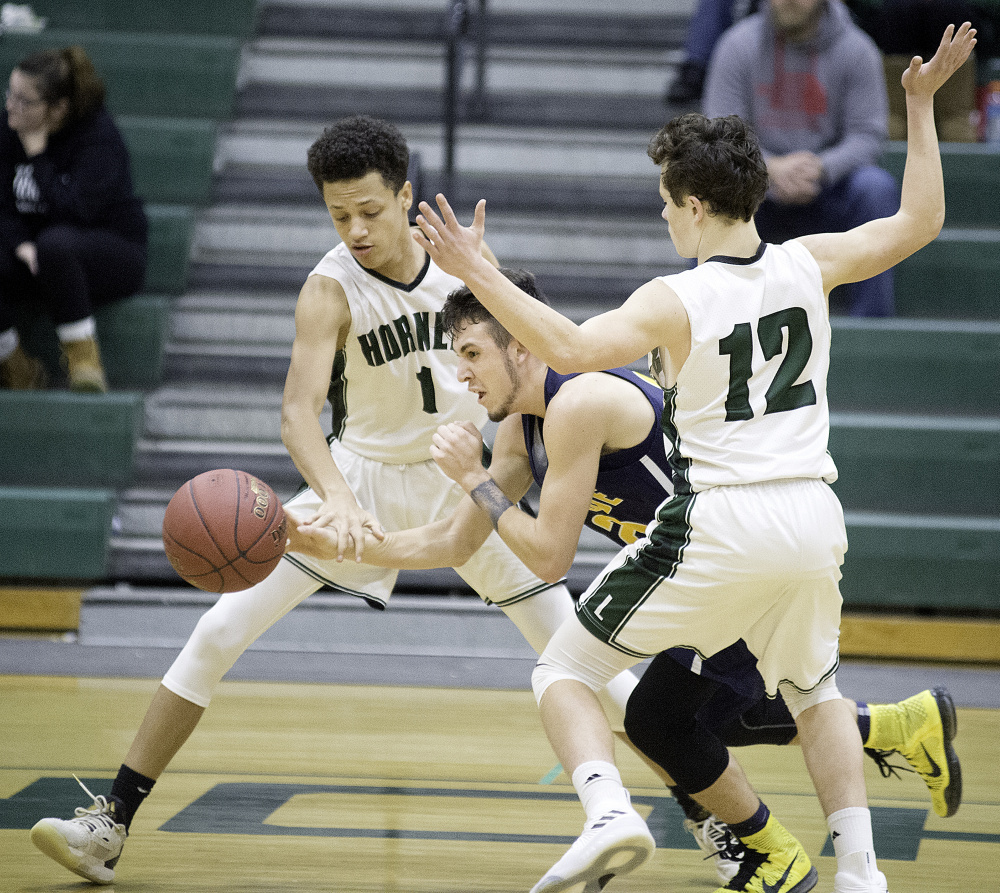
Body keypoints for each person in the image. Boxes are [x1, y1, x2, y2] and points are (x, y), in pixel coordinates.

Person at [407, 23, 975, 893]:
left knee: (564, 665)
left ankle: (607, 815)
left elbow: (562, 345)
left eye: (667, 202)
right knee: (814, 690)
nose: (663, 213)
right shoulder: (809, 262)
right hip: (816, 517)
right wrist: (921, 104)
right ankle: (860, 874)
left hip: (724, 517)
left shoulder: (675, 298)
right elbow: (924, 218)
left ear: (698, 207)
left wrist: (479, 272)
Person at [27, 115, 642, 885]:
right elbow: (297, 413)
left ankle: (718, 817)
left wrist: (497, 482)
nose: (354, 229)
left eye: (370, 211)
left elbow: (525, 379)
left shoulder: (467, 267)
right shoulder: (328, 287)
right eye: (337, 213)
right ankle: (109, 823)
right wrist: (336, 498)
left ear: (406, 195)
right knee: (218, 630)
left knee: (590, 661)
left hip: (463, 479)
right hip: (361, 476)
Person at [291, 270, 962, 886]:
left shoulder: (586, 398)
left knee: (655, 720)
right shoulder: (522, 428)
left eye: (470, 352)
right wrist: (350, 548)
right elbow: (454, 539)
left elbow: (547, 557)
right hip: (695, 580)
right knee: (735, 715)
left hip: (727, 566)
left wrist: (473, 481)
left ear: (520, 345)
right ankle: (903, 725)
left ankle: (770, 852)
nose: (458, 372)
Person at [702, 0, 898, 317]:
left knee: (875, 188)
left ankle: (871, 326)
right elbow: (720, 134)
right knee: (711, 188)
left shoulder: (858, 50)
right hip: (755, 190)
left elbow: (868, 135)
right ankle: (707, 321)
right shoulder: (737, 45)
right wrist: (770, 169)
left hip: (829, 188)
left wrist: (820, 168)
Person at [0, 45, 147, 392]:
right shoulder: (9, 129)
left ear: (58, 109)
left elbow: (77, 211)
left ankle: (84, 362)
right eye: (10, 93)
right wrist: (20, 244)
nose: (10, 106)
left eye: (25, 101)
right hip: (36, 255)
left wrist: (37, 156)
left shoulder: (98, 138)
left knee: (56, 244)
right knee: (39, 248)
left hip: (108, 254)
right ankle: (15, 366)